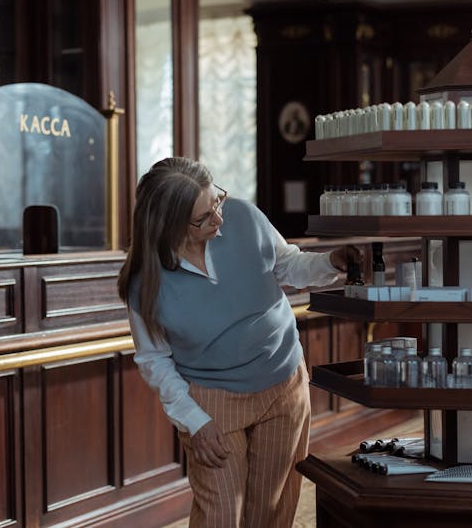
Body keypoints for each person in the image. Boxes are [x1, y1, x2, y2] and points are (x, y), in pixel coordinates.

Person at [117, 157, 358, 528]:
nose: (219, 219)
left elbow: (288, 265)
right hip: (212, 398)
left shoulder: (245, 217)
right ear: (167, 225)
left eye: (216, 201)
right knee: (220, 515)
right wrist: (194, 421)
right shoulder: (145, 283)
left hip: (282, 379)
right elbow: (154, 360)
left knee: (272, 510)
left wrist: (332, 262)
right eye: (203, 217)